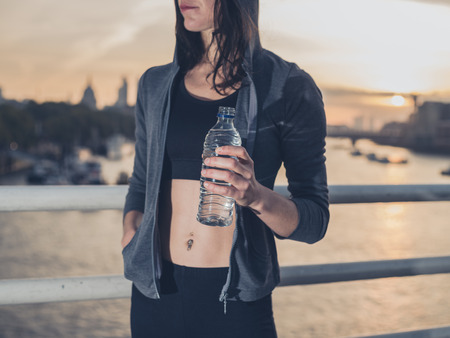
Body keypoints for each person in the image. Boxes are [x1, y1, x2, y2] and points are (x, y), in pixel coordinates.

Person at [121, 0, 329, 337]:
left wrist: (257, 197)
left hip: (233, 305)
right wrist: (130, 233)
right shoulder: (155, 84)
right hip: (155, 295)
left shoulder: (287, 86)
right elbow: (142, 183)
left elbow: (315, 220)